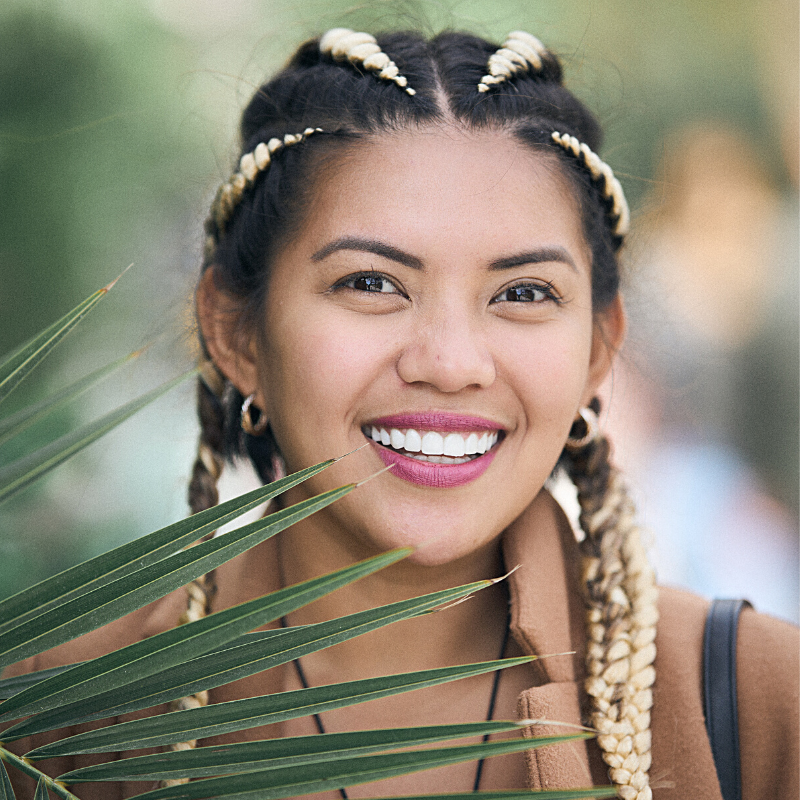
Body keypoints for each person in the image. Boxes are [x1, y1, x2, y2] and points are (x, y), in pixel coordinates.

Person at [7, 28, 798, 800]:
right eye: (372, 283)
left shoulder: (754, 707)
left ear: (598, 349)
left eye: (522, 293)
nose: (451, 364)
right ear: (237, 331)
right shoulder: (55, 723)